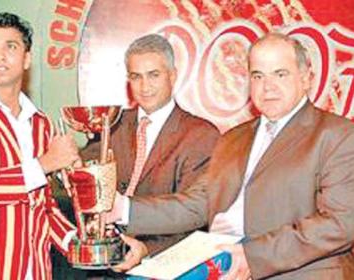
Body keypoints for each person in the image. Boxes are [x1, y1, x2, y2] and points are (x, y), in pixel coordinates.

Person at [109, 32, 354, 279]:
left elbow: (341, 224)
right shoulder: (233, 139)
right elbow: (198, 204)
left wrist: (252, 256)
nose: (267, 86)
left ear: (306, 78)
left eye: (280, 74)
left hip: (297, 271)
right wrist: (122, 209)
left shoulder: (338, 136)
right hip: (215, 259)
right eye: (258, 75)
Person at [81, 34, 219, 266]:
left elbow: (195, 216)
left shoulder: (201, 135)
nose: (145, 87)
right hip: (101, 265)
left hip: (161, 265)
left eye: (154, 75)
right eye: (136, 77)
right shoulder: (109, 125)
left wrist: (147, 248)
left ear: (172, 76)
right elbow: (82, 187)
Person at [0, 12, 80, 279]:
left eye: (10, 47)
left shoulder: (41, 123)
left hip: (36, 269)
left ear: (26, 59)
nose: (0, 56)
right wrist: (45, 164)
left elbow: (43, 204)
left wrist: (76, 242)